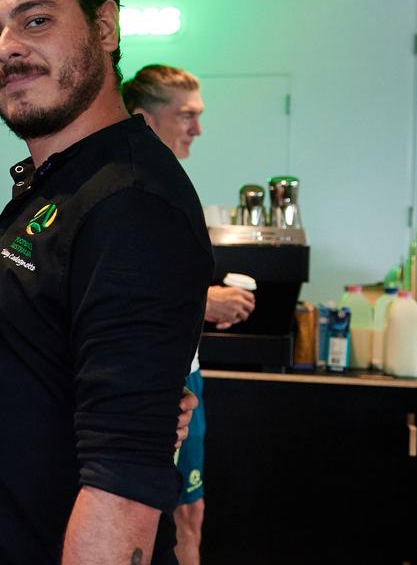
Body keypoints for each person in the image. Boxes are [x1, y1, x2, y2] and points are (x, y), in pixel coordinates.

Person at [0, 0, 213, 564]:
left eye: (37, 20)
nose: (8, 48)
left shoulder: (132, 201)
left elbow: (123, 486)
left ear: (105, 26)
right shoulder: (60, 186)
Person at [123, 64, 256, 565]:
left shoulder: (170, 185)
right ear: (143, 118)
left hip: (188, 375)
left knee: (191, 512)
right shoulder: (125, 190)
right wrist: (205, 302)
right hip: (147, 386)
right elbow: (115, 294)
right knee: (148, 519)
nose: (197, 129)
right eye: (186, 116)